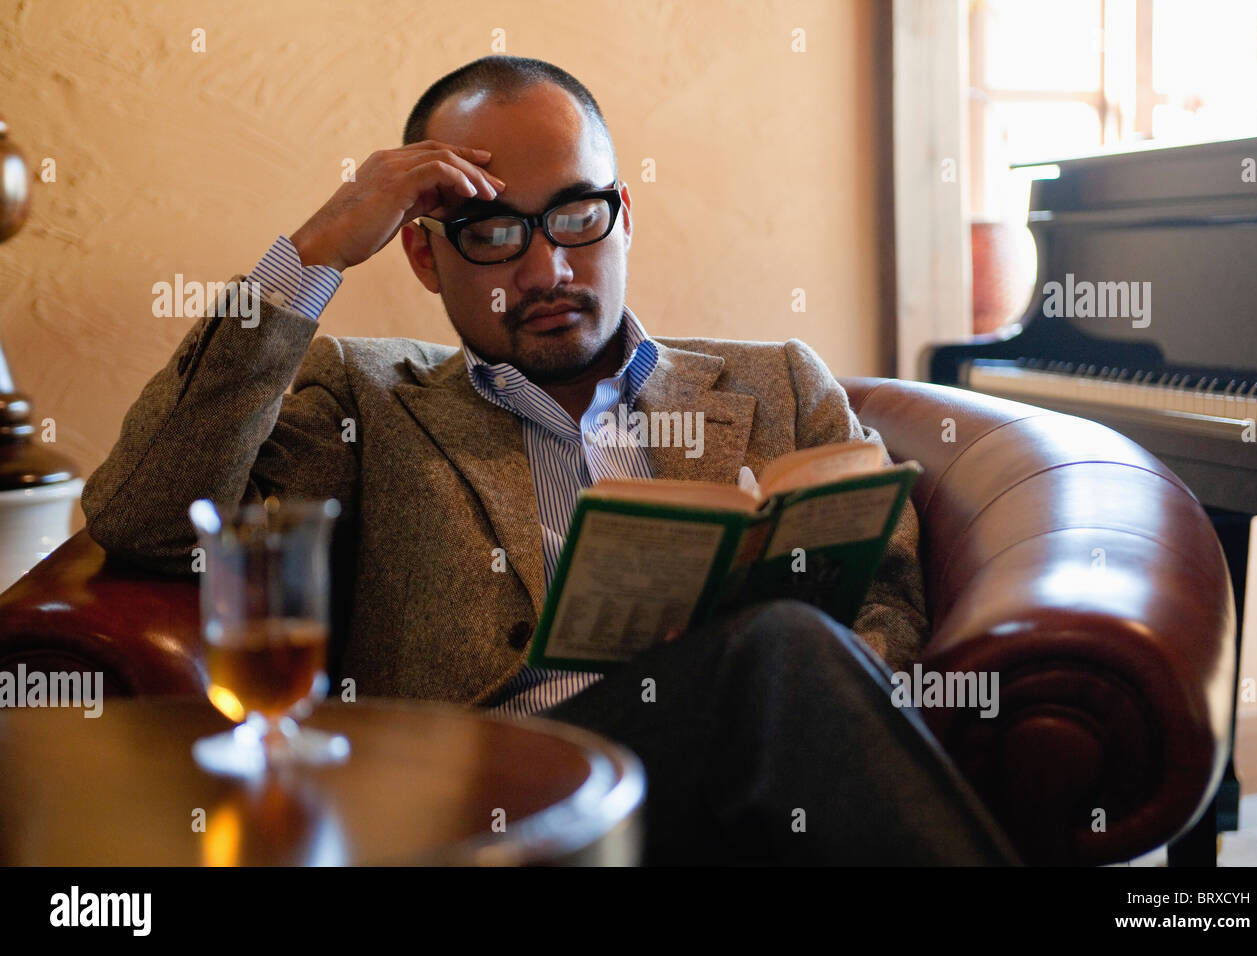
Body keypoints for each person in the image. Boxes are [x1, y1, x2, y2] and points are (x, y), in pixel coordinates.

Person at [82, 55, 1018, 865]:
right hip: (495, 818)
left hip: (743, 785)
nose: (547, 273)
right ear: (419, 252)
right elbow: (145, 516)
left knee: (782, 648)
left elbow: (888, 603)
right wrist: (314, 252)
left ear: (621, 213)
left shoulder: (781, 384)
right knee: (781, 647)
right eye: (492, 232)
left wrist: (730, 670)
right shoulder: (360, 401)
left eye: (576, 216)